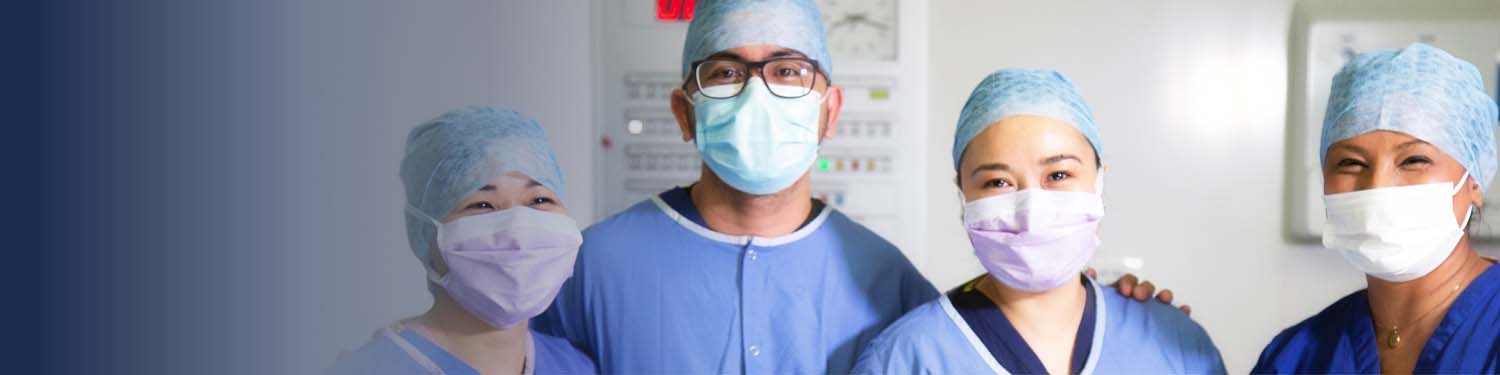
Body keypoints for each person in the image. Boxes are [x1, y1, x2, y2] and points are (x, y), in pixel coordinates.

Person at [534, 1, 1179, 373]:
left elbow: (998, 334)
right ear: (683, 112)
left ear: (829, 112)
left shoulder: (884, 281)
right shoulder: (588, 271)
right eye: (728, 72)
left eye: (788, 70)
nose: (760, 92)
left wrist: (1120, 316)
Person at [853, 69, 1226, 374]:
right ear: (963, 194)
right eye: (997, 182)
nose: (1030, 209)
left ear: (1098, 181)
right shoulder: (907, 358)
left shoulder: (1175, 344)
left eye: (1059, 175)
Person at [1253, 43, 1500, 374]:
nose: (1378, 185)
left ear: (1473, 182)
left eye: (1414, 160)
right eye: (1351, 163)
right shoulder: (1296, 357)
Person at [330, 106, 596, 375]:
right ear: (425, 232)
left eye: (540, 200)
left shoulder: (576, 366)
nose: (517, 229)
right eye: (481, 205)